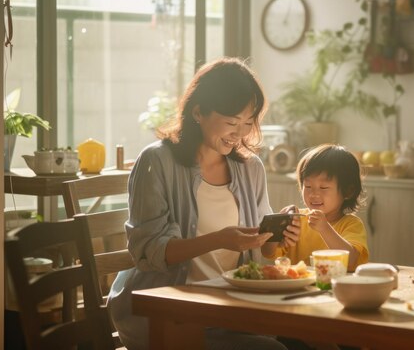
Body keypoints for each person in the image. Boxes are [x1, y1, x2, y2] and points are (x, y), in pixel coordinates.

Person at [108, 57, 287, 350]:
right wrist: (218, 240)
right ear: (198, 112)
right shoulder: (156, 162)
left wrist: (278, 236)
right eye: (231, 122)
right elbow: (148, 252)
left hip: (229, 311)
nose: (240, 133)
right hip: (164, 315)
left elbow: (264, 249)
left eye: (247, 122)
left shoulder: (250, 167)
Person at [262, 144, 369, 272]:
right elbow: (267, 253)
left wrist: (324, 228)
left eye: (323, 187)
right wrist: (276, 227)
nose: (314, 194)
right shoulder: (297, 221)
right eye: (307, 186)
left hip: (332, 289)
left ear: (348, 191)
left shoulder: (351, 224)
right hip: (297, 288)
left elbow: (351, 259)